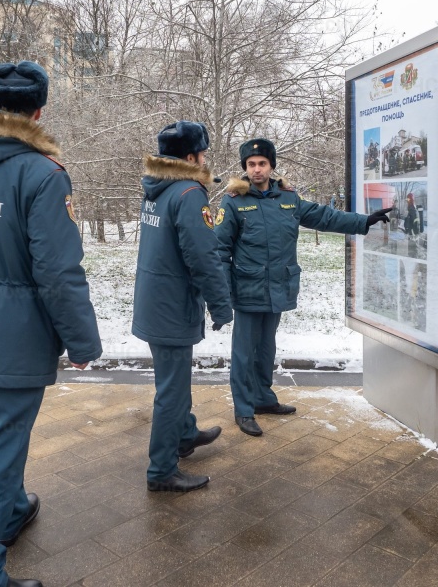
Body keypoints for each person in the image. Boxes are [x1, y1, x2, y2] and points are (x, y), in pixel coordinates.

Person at [0, 61, 102, 587]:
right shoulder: (43, 173)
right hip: (17, 337)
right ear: (39, 110)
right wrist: (81, 341)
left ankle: (9, 514)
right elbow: (57, 270)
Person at [214, 138, 391, 436]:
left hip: (278, 286)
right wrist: (221, 293)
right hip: (247, 288)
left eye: (262, 164)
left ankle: (263, 399)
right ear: (245, 168)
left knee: (266, 347)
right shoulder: (233, 201)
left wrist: (363, 221)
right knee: (244, 351)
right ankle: (243, 409)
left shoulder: (288, 199)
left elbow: (324, 216)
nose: (257, 169)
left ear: (271, 166)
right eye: (251, 165)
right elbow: (220, 249)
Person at [132, 121, 233, 492]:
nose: (205, 159)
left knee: (173, 380)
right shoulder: (189, 192)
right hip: (172, 305)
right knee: (171, 390)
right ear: (190, 157)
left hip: (154, 300)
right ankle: (161, 470)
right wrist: (221, 305)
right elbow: (203, 256)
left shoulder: (156, 189)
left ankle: (185, 434)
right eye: (203, 153)